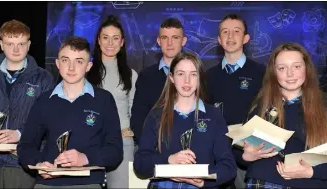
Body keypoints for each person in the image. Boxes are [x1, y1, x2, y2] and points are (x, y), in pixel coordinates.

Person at [17, 36, 123, 188]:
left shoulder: (104, 100)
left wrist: (85, 158)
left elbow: (115, 151)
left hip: (88, 183)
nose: (71, 68)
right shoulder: (44, 100)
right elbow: (25, 146)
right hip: (48, 184)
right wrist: (39, 163)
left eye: (79, 61)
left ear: (89, 66)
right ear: (58, 64)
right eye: (66, 60)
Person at [234, 42, 327, 189]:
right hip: (261, 182)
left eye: (296, 66)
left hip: (309, 183)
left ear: (307, 69)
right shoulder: (260, 104)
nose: (290, 74)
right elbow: (238, 152)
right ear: (273, 72)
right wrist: (246, 156)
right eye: (282, 68)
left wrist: (312, 172)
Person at [134, 51, 237, 189]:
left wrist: (204, 180)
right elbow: (140, 163)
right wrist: (169, 160)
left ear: (200, 78)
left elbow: (228, 167)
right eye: (181, 74)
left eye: (193, 74)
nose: (187, 81)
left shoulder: (214, 115)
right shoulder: (156, 116)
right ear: (171, 77)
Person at [0, 19, 54, 188]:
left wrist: (20, 134)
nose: (16, 49)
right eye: (10, 43)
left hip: (22, 163)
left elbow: (49, 123)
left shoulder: (44, 79)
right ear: (1, 44)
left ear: (29, 45)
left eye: (21, 43)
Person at [206, 14, 265, 188]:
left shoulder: (262, 73)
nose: (230, 36)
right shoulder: (207, 76)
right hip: (217, 155)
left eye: (236, 31)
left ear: (246, 38)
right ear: (218, 39)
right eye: (225, 32)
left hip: (250, 155)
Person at [87, 15, 138, 188]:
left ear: (122, 42)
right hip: (90, 144)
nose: (110, 43)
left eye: (115, 38)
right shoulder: (85, 72)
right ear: (98, 41)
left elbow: (133, 109)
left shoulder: (131, 75)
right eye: (105, 38)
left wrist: (129, 129)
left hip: (123, 145)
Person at [131, 17, 187, 145]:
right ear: (158, 41)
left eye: (175, 38)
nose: (170, 43)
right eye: (164, 38)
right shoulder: (146, 76)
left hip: (189, 150)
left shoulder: (196, 75)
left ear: (183, 41)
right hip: (153, 150)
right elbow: (138, 118)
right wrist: (149, 147)